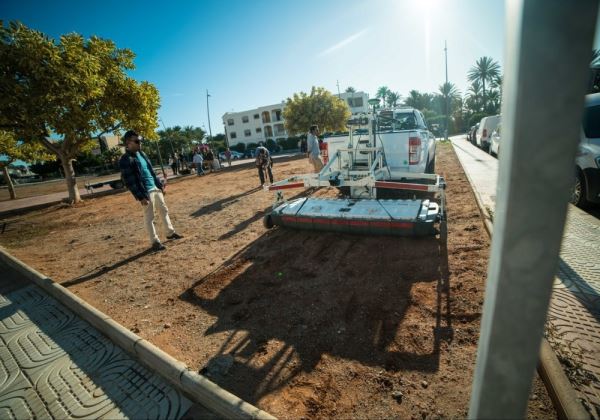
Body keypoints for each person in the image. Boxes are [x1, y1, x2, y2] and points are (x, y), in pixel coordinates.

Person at [119, 130, 182, 251]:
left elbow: (151, 172)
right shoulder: (125, 159)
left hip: (154, 188)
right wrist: (140, 196)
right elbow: (129, 181)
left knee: (163, 210)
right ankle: (155, 242)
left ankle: (170, 233)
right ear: (128, 143)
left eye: (140, 141)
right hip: (145, 191)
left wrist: (159, 186)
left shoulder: (142, 154)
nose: (140, 143)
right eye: (137, 141)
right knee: (150, 217)